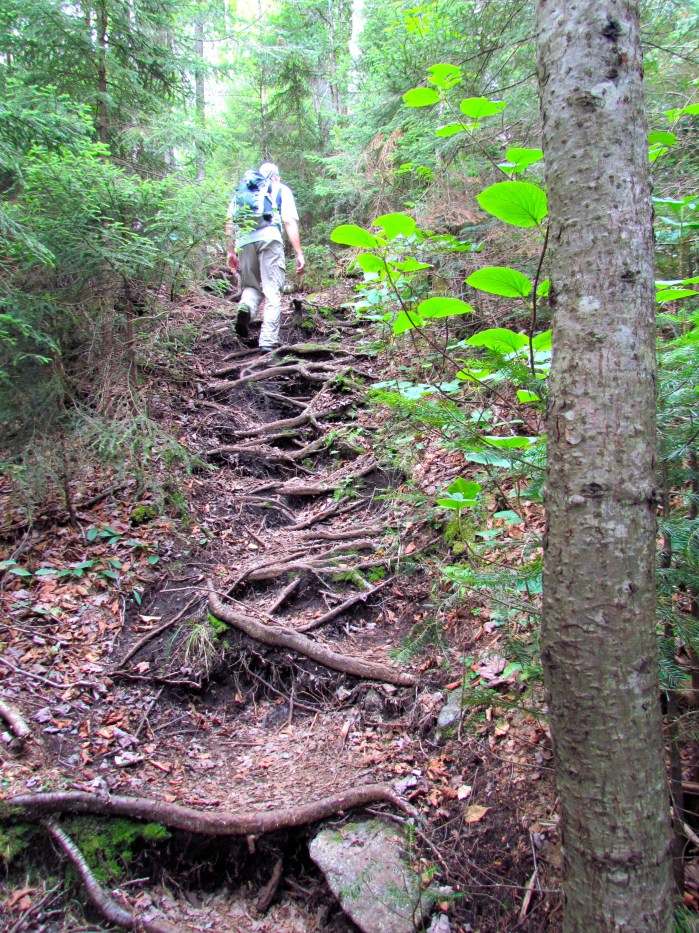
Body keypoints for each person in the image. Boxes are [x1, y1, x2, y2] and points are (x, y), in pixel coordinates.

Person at [225, 162, 305, 352]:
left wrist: (230, 251)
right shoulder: (280, 188)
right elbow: (289, 221)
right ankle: (268, 341)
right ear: (276, 176)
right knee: (272, 289)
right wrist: (299, 252)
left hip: (244, 241)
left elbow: (229, 221)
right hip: (269, 238)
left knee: (250, 286)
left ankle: (246, 307)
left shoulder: (242, 192)